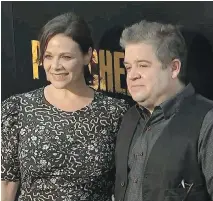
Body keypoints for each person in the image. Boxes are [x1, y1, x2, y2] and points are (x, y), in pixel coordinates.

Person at [1, 12, 129, 201]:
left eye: (66, 57)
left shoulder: (115, 112)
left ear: (87, 56)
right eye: (49, 56)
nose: (55, 66)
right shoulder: (18, 108)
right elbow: (6, 184)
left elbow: (124, 184)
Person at [114, 20, 213, 201]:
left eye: (143, 65)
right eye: (128, 67)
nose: (132, 75)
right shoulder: (129, 118)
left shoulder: (207, 121)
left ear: (174, 68)